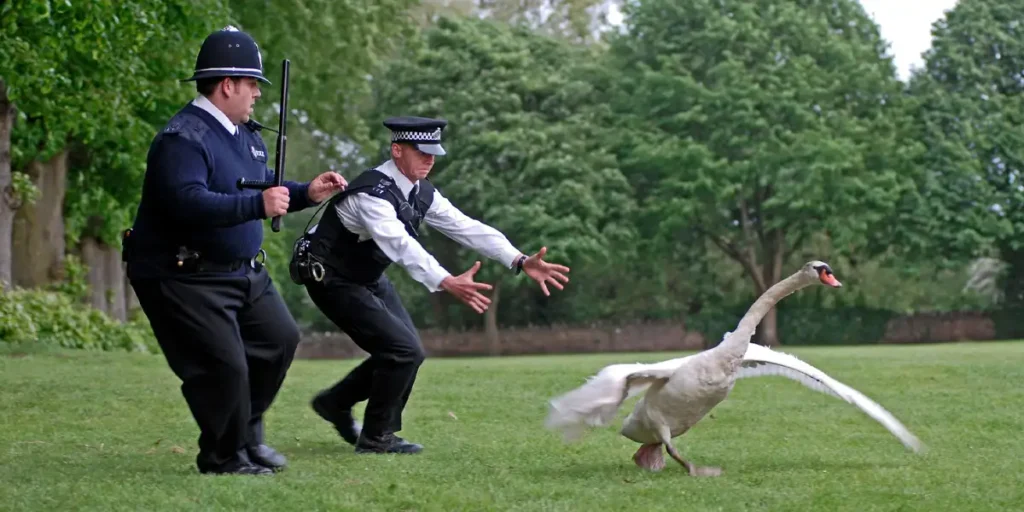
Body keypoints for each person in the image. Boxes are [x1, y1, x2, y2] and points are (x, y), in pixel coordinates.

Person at [122, 26, 347, 476]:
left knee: (278, 340)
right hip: (183, 273)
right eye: (252, 86)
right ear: (228, 85)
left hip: (241, 271)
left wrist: (306, 193)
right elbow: (186, 202)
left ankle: (246, 437)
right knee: (224, 367)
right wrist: (256, 205)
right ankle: (223, 458)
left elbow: (260, 190)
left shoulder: (246, 136)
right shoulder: (181, 138)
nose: (258, 96)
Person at [302, 115, 571, 454]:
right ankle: (376, 438)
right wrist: (444, 280)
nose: (430, 160)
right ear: (397, 150)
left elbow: (465, 227)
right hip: (331, 279)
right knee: (403, 351)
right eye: (422, 152)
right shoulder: (373, 195)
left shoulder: (419, 192)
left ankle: (335, 403)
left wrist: (518, 259)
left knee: (408, 352)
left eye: (433, 153)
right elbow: (400, 245)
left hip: (365, 277)